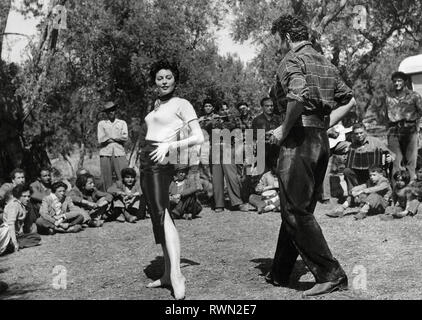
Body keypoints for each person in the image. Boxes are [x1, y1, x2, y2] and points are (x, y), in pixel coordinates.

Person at [266, 14, 356, 297]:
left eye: (278, 41)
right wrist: (324, 125)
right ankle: (280, 271)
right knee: (297, 207)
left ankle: (332, 273)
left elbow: (297, 95)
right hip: (319, 141)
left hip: (298, 142)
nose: (278, 47)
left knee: (295, 210)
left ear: (287, 38)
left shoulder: (291, 60)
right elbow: (349, 100)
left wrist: (283, 128)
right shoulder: (325, 62)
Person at [140, 59, 204, 300]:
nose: (164, 81)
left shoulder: (182, 103)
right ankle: (167, 274)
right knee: (158, 215)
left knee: (163, 214)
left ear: (175, 79)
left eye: (168, 77)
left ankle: (177, 276)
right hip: (146, 158)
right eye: (159, 78)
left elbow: (197, 137)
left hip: (161, 158)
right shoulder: (157, 105)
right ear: (154, 81)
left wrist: (170, 144)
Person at [330, 123, 394, 217]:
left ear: (366, 132)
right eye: (356, 134)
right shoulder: (352, 144)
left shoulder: (375, 141)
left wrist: (390, 157)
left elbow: (391, 153)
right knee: (347, 171)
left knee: (372, 195)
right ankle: (341, 208)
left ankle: (361, 209)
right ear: (353, 134)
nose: (359, 135)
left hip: (374, 172)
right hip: (360, 172)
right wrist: (346, 158)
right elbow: (348, 159)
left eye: (361, 133)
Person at [386, 71, 422, 180]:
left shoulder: (414, 96)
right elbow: (384, 115)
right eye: (395, 81)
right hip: (393, 131)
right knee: (395, 161)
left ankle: (410, 190)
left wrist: (418, 127)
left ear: (405, 82)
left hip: (410, 130)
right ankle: (396, 193)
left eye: (399, 81)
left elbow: (421, 112)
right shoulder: (388, 97)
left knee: (411, 161)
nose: (397, 83)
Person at [0, 184, 41, 256]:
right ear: (18, 196)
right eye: (24, 196)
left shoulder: (24, 205)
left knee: (36, 237)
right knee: (34, 238)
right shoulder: (14, 205)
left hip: (18, 234)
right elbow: (10, 225)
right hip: (9, 234)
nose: (27, 198)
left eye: (28, 196)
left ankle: (12, 245)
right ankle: (11, 245)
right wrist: (15, 242)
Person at [97, 101, 129, 190]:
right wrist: (117, 138)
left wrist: (110, 137)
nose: (111, 112)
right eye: (108, 111)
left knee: (123, 176)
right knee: (106, 178)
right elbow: (101, 139)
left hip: (119, 152)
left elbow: (125, 137)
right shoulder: (101, 124)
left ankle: (125, 197)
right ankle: (108, 198)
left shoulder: (122, 123)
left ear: (115, 111)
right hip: (105, 153)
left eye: (112, 110)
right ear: (106, 113)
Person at [252, 97, 281, 172]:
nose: (270, 108)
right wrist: (266, 134)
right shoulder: (256, 120)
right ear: (262, 107)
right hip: (263, 153)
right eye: (267, 106)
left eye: (271, 106)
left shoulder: (278, 119)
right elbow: (254, 137)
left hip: (277, 152)